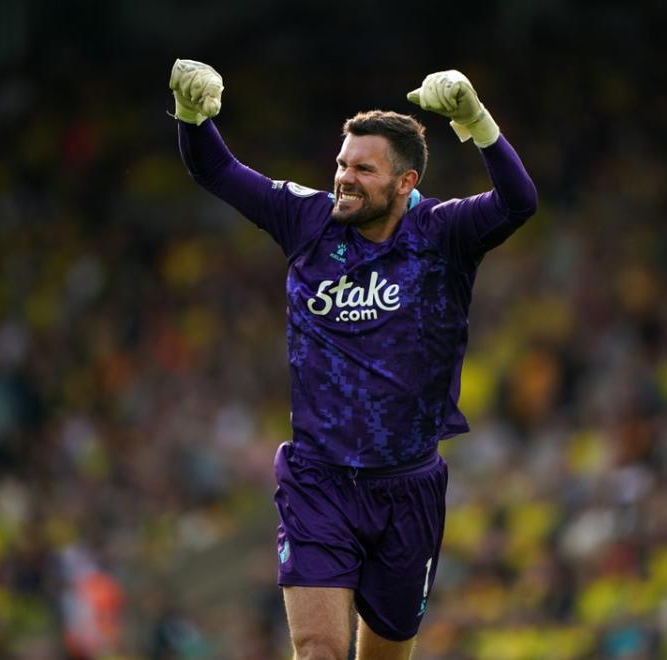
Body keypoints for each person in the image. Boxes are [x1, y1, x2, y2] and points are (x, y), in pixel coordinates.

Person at [169, 59, 537, 660]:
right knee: (319, 650)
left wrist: (475, 120)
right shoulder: (308, 219)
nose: (344, 177)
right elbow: (215, 166)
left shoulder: (442, 234)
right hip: (319, 480)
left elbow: (518, 201)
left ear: (405, 182)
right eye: (342, 164)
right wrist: (192, 114)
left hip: (408, 488)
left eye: (363, 169)